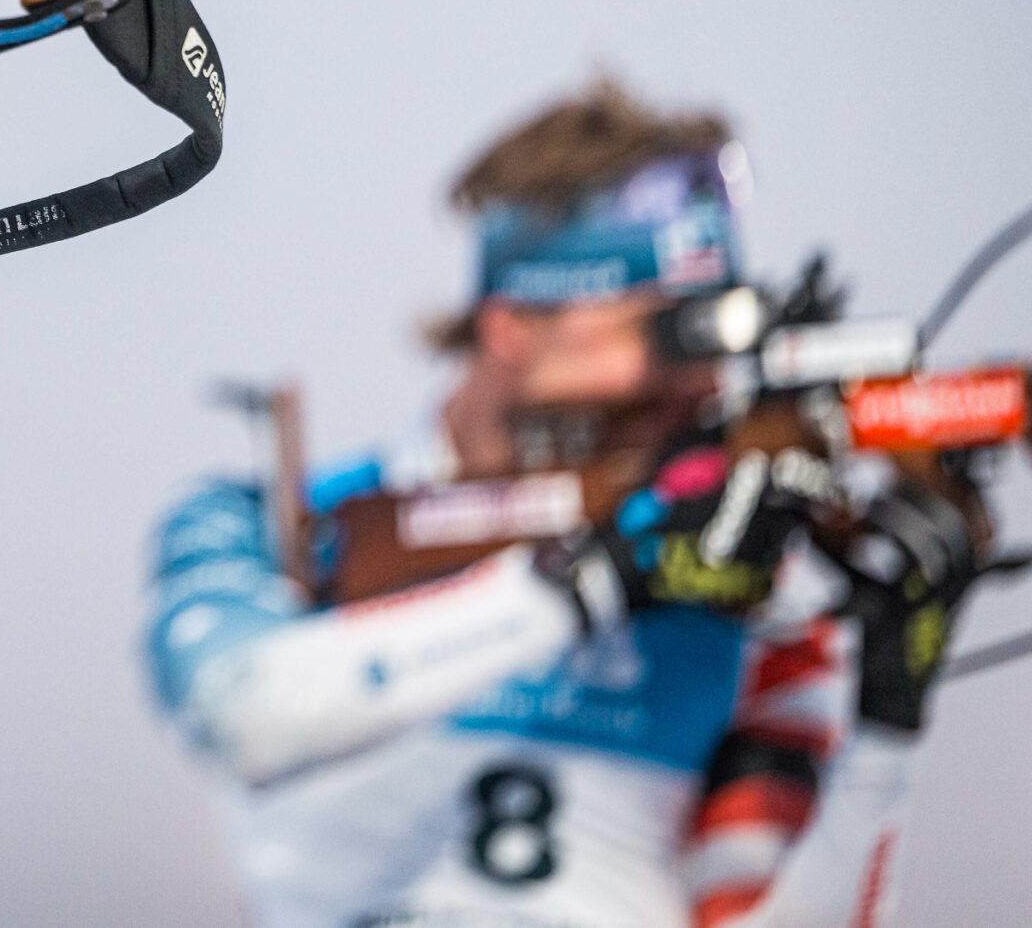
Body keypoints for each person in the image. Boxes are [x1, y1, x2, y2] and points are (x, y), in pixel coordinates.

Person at [142, 83, 984, 928]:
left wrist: (887, 726)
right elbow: (243, 709)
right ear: (513, 324)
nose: (700, 380)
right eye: (666, 330)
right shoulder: (277, 524)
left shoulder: (749, 589)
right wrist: (587, 584)